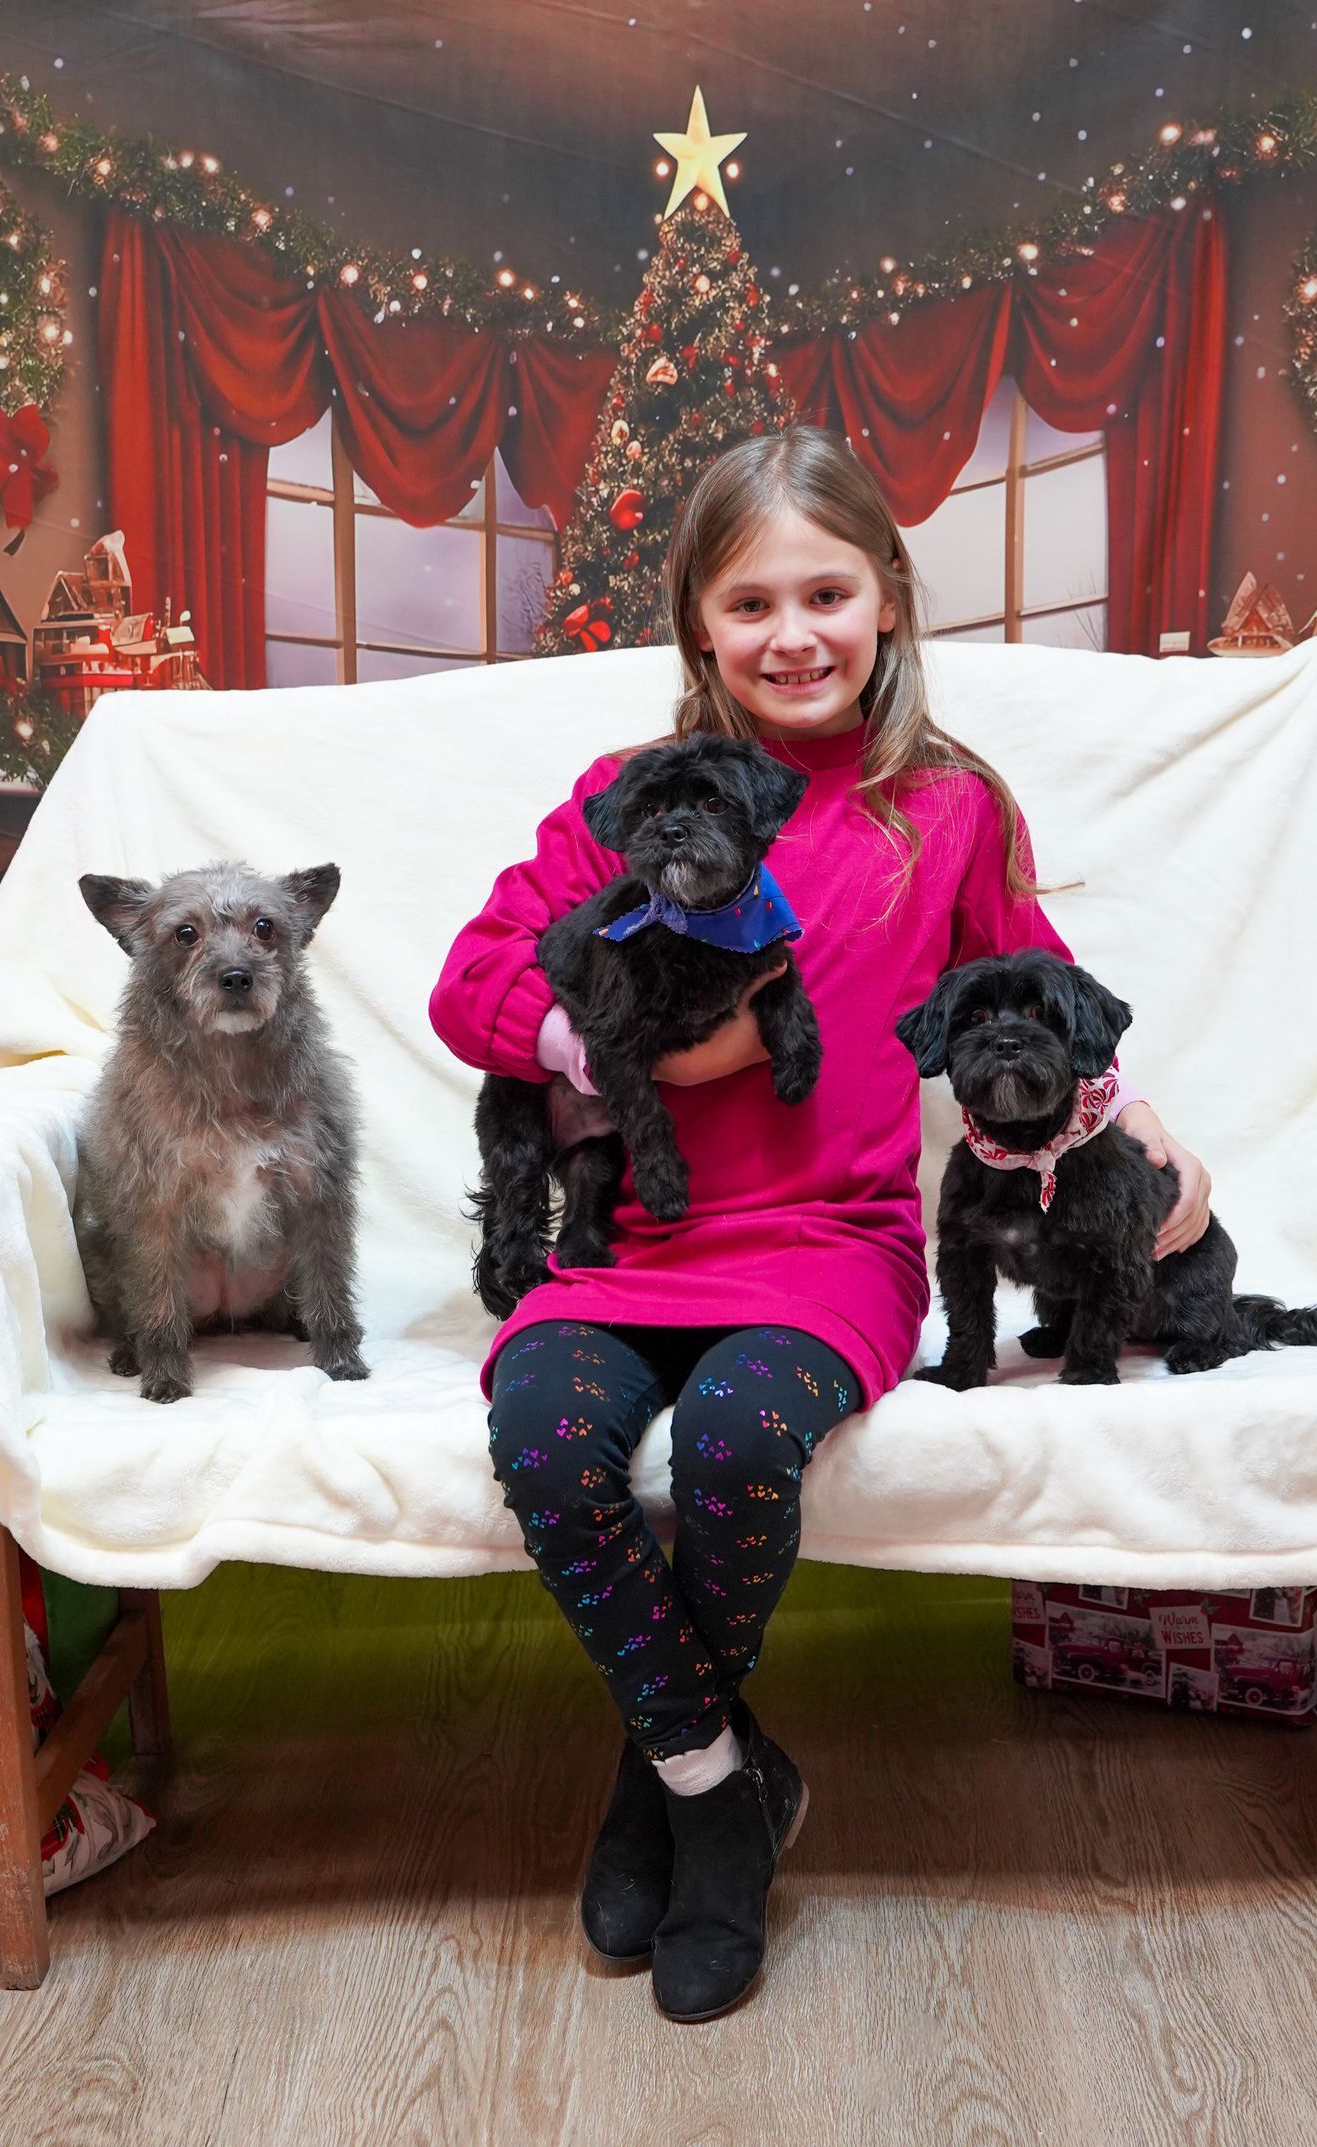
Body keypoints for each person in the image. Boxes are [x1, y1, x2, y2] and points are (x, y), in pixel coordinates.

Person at [427, 426, 1210, 2021]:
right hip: (631, 1239)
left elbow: (1044, 992)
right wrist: (616, 1048)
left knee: (729, 1444)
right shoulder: (625, 802)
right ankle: (725, 1786)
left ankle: (661, 1793)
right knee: (553, 1442)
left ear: (891, 601)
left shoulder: (947, 812)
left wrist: (1140, 1128)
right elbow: (470, 983)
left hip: (836, 1241)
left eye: (828, 593)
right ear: (698, 625)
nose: (794, 635)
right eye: (751, 603)